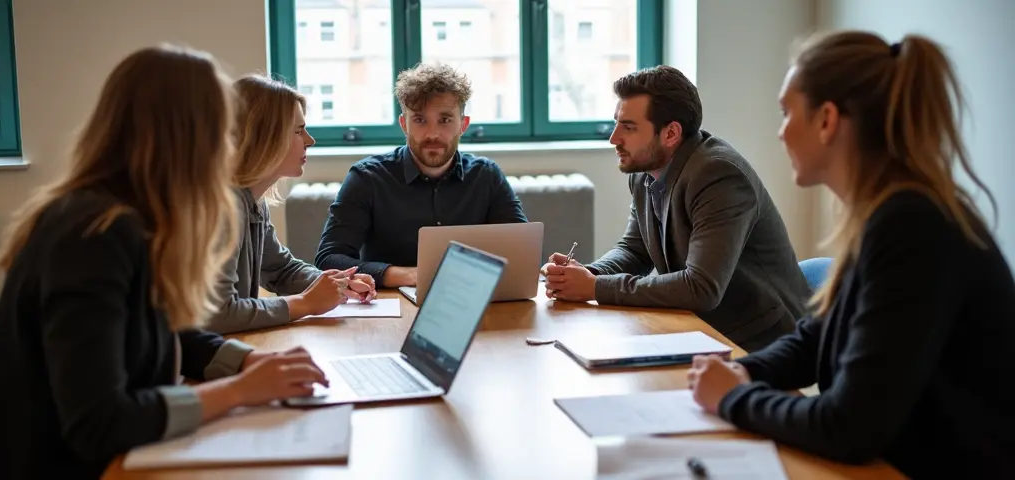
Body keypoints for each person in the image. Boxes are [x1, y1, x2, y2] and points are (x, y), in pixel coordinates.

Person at [0, 46, 331, 479]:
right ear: (187, 138)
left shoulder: (139, 217)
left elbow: (174, 331)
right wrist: (237, 391)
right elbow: (99, 423)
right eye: (224, 131)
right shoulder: (93, 233)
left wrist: (243, 362)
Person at [688, 31, 1015, 477]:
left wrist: (732, 397)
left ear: (826, 120)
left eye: (787, 113)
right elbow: (816, 338)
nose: (780, 131)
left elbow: (849, 427)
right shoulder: (890, 211)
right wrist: (742, 373)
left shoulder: (913, 226)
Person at [542, 65, 809, 353]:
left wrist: (595, 288)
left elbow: (701, 288)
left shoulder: (719, 175)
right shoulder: (644, 170)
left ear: (670, 134)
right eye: (616, 123)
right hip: (701, 330)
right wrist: (585, 275)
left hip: (763, 342)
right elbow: (634, 250)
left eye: (629, 127)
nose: (614, 138)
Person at [314, 62, 528, 288]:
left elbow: (524, 252)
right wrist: (409, 276)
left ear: (463, 124)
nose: (433, 133)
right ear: (404, 124)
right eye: (419, 120)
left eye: (445, 120)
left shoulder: (487, 176)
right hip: (389, 305)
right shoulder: (367, 178)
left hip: (469, 299)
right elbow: (328, 260)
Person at [203, 74, 376, 335]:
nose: (309, 140)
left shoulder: (253, 202)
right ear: (263, 137)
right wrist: (305, 303)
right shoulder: (221, 208)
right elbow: (219, 314)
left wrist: (335, 284)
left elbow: (280, 269)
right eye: (298, 131)